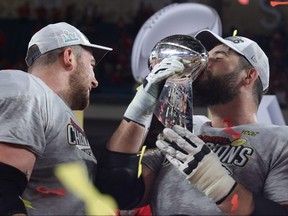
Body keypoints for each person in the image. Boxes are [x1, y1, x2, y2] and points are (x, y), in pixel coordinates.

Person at [0, 22, 184, 215]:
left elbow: (111, 182)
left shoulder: (56, 110)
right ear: (69, 57)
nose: (95, 81)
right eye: (91, 65)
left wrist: (142, 106)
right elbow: (3, 188)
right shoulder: (26, 89)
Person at [101, 29, 288, 215]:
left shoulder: (279, 140)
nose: (204, 62)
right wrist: (139, 110)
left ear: (249, 76)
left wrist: (216, 183)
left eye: (218, 57)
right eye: (205, 56)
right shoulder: (180, 127)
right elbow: (120, 194)